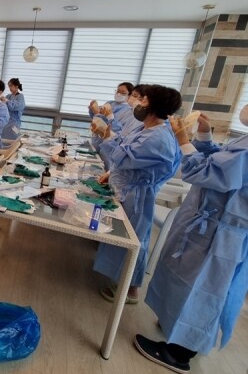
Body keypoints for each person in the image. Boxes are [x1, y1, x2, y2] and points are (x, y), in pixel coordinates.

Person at [134, 107, 248, 374]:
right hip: (208, 226)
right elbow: (220, 161)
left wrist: (184, 141)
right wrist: (205, 137)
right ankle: (176, 328)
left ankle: (179, 354)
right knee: (184, 281)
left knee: (203, 291)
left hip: (220, 235)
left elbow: (207, 173)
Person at [92, 84, 182, 303]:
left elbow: (124, 157)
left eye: (143, 100)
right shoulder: (146, 129)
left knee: (135, 240)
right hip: (127, 189)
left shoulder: (158, 138)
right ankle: (121, 280)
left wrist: (107, 137)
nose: (138, 103)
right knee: (124, 236)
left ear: (153, 106)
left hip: (138, 195)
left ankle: (130, 289)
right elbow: (125, 148)